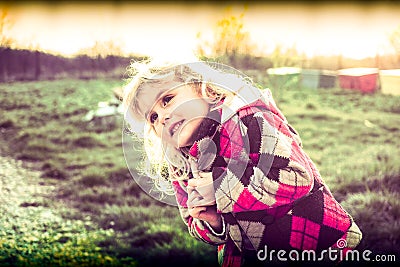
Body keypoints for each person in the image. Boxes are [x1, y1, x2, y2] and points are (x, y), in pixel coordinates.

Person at [122, 60, 362, 267]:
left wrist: (220, 188)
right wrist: (215, 221)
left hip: (322, 247)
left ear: (202, 88)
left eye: (167, 99)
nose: (162, 117)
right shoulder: (181, 164)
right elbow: (194, 223)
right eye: (152, 117)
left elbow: (296, 178)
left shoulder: (249, 120)